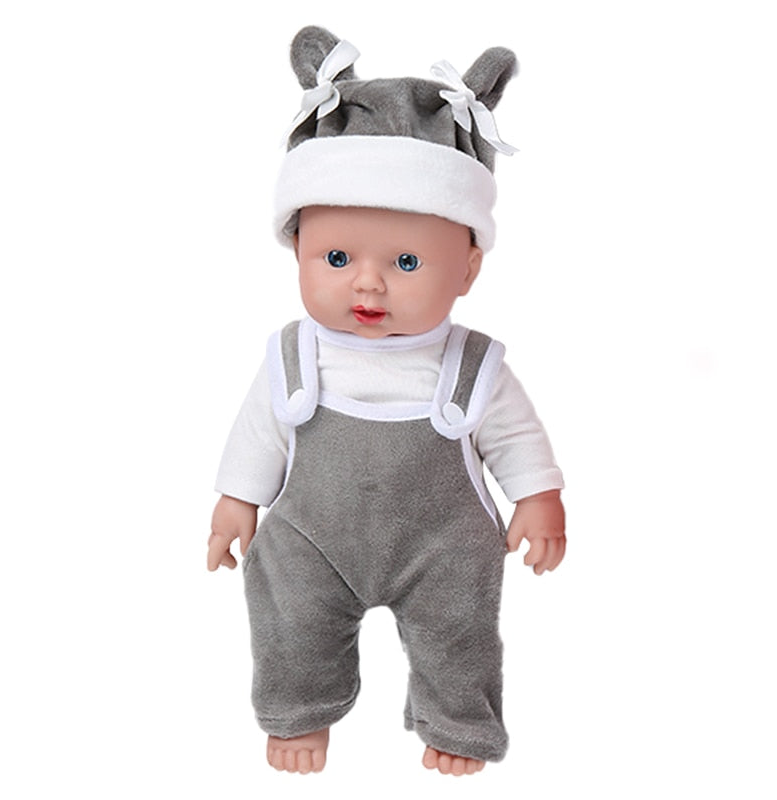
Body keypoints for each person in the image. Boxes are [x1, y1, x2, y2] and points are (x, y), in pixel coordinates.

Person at [207, 26, 566, 777]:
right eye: (336, 257)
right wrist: (236, 501)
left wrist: (538, 498)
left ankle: (457, 722)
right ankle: (300, 712)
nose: (367, 284)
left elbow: (515, 437)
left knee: (460, 633)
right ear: (297, 249)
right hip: (312, 537)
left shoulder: (471, 364)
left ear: (467, 270)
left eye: (406, 261)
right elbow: (259, 434)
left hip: (443, 546)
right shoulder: (294, 355)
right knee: (288, 618)